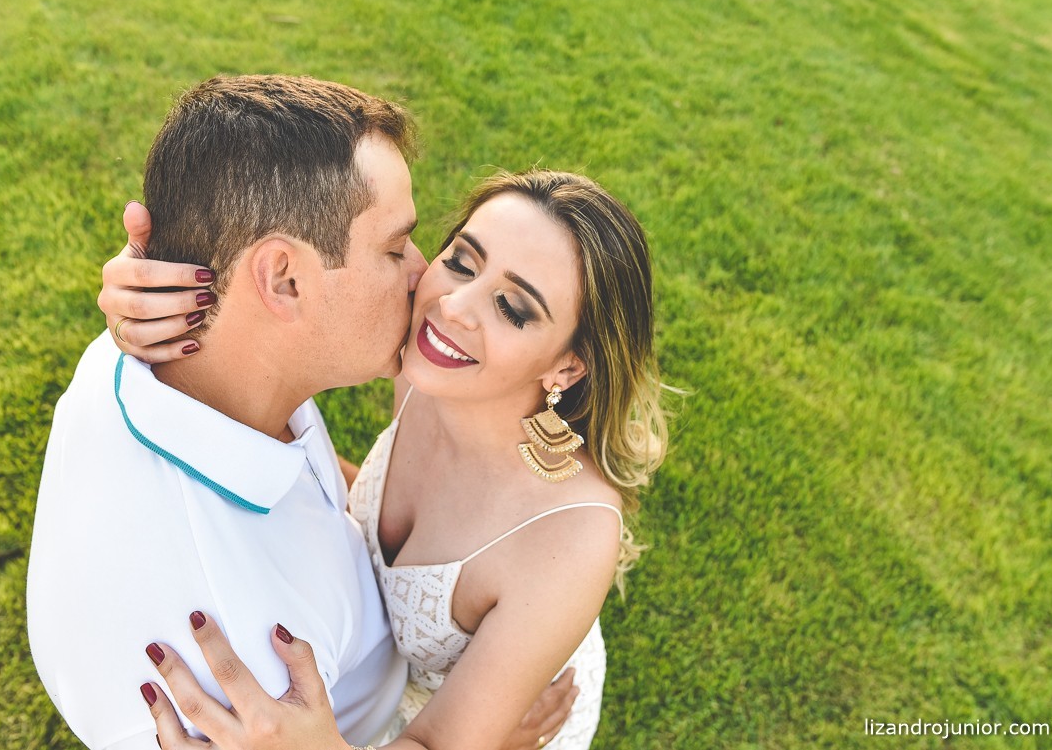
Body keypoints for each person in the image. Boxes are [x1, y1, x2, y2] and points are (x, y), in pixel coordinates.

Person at [27, 74, 571, 750]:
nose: (424, 274)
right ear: (284, 279)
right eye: (394, 247)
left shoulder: (150, 352)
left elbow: (306, 491)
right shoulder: (242, 653)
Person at [98, 166, 670, 749]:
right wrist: (152, 290)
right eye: (462, 262)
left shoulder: (570, 537)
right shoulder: (427, 369)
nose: (453, 307)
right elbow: (267, 285)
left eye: (514, 309)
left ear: (566, 367)